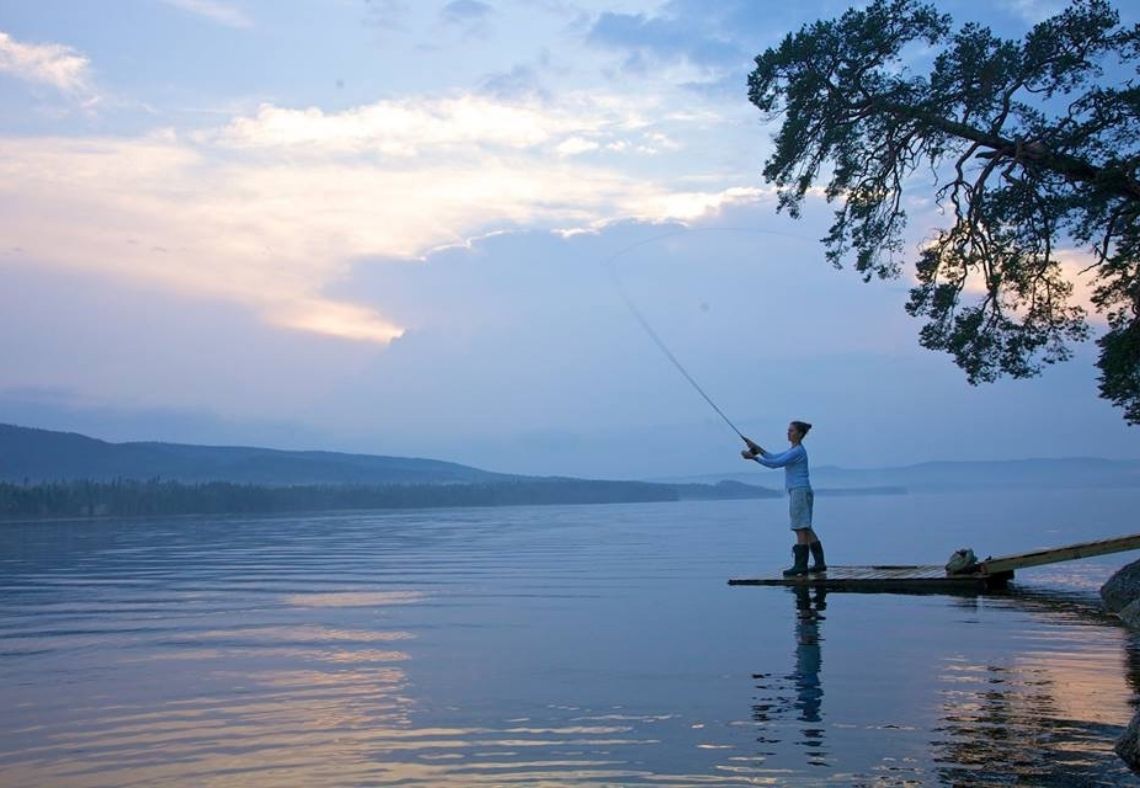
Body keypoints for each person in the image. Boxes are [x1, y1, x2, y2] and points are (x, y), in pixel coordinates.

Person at [741, 421, 826, 577]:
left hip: (799, 492)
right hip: (801, 491)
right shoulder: (794, 450)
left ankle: (800, 566)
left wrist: (753, 458)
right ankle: (820, 564)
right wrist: (758, 449)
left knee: (800, 527)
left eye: (791, 430)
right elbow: (773, 456)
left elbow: (774, 464)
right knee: (806, 527)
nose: (788, 433)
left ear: (799, 434)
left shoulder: (797, 451)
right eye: (788, 430)